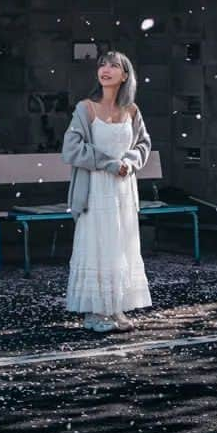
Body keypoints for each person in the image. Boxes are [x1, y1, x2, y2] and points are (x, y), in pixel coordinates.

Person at [61, 50, 152, 333]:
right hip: (95, 188)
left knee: (120, 248)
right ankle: (95, 312)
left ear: (125, 75)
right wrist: (109, 163)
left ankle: (116, 307)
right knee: (97, 246)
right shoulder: (85, 108)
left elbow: (143, 145)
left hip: (124, 189)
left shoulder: (132, 110)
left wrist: (129, 162)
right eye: (102, 65)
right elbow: (71, 149)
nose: (106, 70)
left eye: (114, 66)